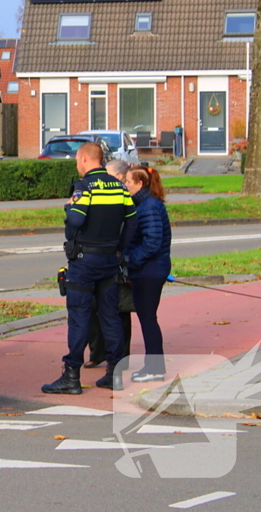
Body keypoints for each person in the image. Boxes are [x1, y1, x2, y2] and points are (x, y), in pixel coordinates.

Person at [42, 142, 136, 395]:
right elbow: (131, 221)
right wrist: (120, 250)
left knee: (79, 316)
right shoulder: (119, 186)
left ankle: (71, 376)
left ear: (84, 159)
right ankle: (114, 374)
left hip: (84, 262)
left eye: (77, 159)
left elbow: (76, 219)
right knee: (110, 317)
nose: (76, 163)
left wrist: (69, 205)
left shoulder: (84, 187)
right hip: (110, 260)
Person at [123, 165, 172, 383]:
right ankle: (152, 366)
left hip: (149, 271)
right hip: (150, 270)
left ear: (139, 183)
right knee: (147, 318)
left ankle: (154, 367)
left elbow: (152, 242)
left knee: (148, 318)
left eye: (128, 181)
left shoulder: (149, 206)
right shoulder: (145, 204)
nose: (125, 185)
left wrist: (131, 260)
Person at [84, 159, 133, 369]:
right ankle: (98, 351)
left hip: (118, 260)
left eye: (110, 175)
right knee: (93, 307)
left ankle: (121, 357)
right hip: (101, 257)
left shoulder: (125, 199)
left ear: (121, 178)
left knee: (120, 310)